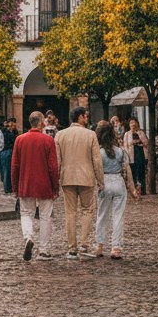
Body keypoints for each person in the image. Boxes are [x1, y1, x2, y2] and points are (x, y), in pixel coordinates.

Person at [55, 106, 104, 260]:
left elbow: (57, 160)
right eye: (85, 116)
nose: (87, 118)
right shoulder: (90, 135)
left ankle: (72, 248)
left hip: (67, 177)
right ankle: (84, 244)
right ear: (81, 117)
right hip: (86, 177)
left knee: (70, 212)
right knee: (87, 210)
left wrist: (56, 179)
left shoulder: (60, 135)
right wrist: (100, 180)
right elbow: (97, 160)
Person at [11, 111, 59, 262]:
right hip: (44, 183)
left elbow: (15, 166)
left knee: (26, 213)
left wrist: (15, 187)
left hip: (25, 183)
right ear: (41, 123)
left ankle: (28, 237)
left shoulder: (19, 140)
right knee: (45, 216)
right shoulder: (48, 140)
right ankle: (43, 251)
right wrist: (55, 187)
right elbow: (53, 167)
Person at [95, 120, 140, 259]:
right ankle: (116, 248)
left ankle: (99, 246)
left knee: (102, 216)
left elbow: (96, 171)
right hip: (119, 183)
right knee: (118, 216)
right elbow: (128, 172)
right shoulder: (120, 152)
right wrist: (133, 190)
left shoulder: (99, 152)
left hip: (105, 182)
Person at [123, 118, 147, 196]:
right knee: (132, 173)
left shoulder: (141, 132)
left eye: (134, 122)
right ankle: (133, 190)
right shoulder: (127, 134)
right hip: (131, 155)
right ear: (129, 125)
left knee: (141, 172)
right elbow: (125, 145)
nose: (133, 124)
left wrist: (139, 139)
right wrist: (127, 156)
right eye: (131, 123)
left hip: (140, 154)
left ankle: (143, 190)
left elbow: (146, 143)